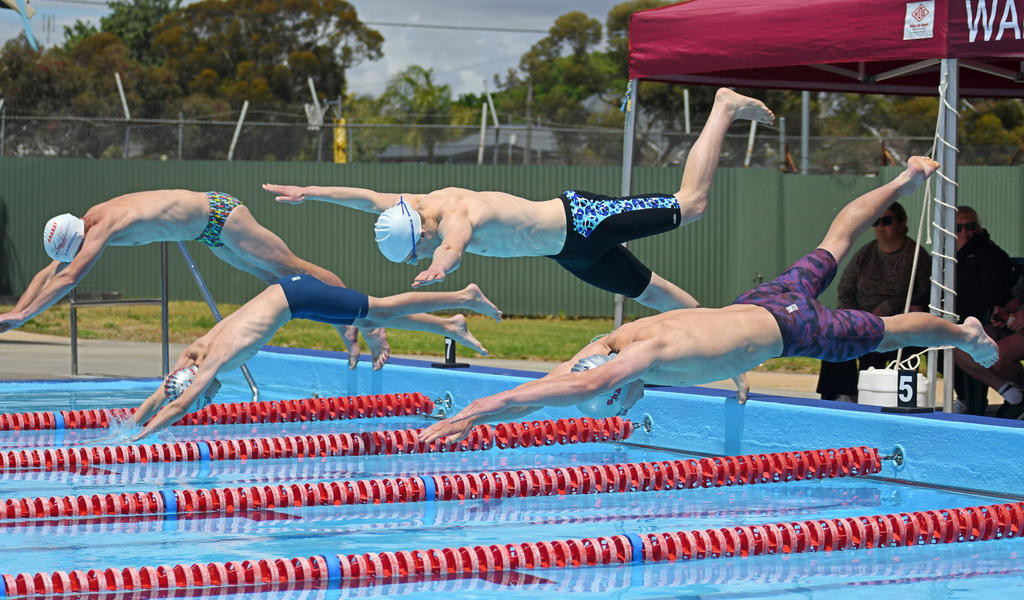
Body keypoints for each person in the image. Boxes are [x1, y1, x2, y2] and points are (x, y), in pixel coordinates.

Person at [419, 157, 999, 445]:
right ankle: (905, 178)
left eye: (616, 405)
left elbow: (576, 387)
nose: (622, 410)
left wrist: (475, 409)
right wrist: (480, 421)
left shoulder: (631, 361)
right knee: (835, 240)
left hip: (795, 326)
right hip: (760, 300)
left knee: (892, 331)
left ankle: (966, 332)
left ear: (617, 385)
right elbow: (551, 389)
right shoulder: (608, 345)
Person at [263, 88, 774, 313]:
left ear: (422, 232)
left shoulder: (456, 216)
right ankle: (722, 362)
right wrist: (310, 192)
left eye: (419, 251)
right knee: (654, 296)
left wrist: (439, 268)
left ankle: (724, 107)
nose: (421, 257)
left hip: (583, 220)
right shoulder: (416, 203)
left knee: (693, 205)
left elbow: (454, 246)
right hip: (567, 252)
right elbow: (366, 197)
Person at [0, 190, 392, 369]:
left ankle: (366, 320)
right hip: (208, 233)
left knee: (293, 269)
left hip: (222, 215)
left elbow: (69, 277)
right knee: (280, 283)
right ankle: (349, 322)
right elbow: (51, 270)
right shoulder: (88, 219)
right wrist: (16, 313)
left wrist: (26, 315)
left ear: (80, 237)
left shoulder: (106, 224)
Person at [130, 277, 502, 440]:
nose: (208, 398)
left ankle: (463, 297)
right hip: (293, 299)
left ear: (199, 378)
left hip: (299, 297)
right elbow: (163, 394)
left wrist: (141, 439)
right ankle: (449, 325)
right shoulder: (197, 351)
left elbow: (180, 403)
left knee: (382, 309)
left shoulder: (215, 358)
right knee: (375, 317)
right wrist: (131, 422)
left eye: (206, 394)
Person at [815, 201, 930, 401]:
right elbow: (845, 289)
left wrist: (890, 307)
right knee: (835, 334)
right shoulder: (864, 255)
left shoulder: (917, 256)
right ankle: (841, 396)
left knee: (896, 340)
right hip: (862, 317)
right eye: (876, 222)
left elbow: (923, 293)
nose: (880, 227)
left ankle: (894, 397)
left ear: (902, 224)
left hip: (898, 320)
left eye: (886, 221)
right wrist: (855, 317)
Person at [951, 205, 1018, 413]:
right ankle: (1007, 392)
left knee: (968, 345)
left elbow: (991, 296)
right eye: (958, 227)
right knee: (945, 343)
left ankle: (1009, 393)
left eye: (969, 226)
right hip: (990, 319)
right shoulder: (946, 255)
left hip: (985, 320)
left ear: (978, 227)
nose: (964, 232)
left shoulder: (990, 254)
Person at [955, 272, 1024, 419]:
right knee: (963, 346)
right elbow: (1017, 299)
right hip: (1013, 328)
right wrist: (1003, 313)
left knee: (998, 355)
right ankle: (1015, 399)